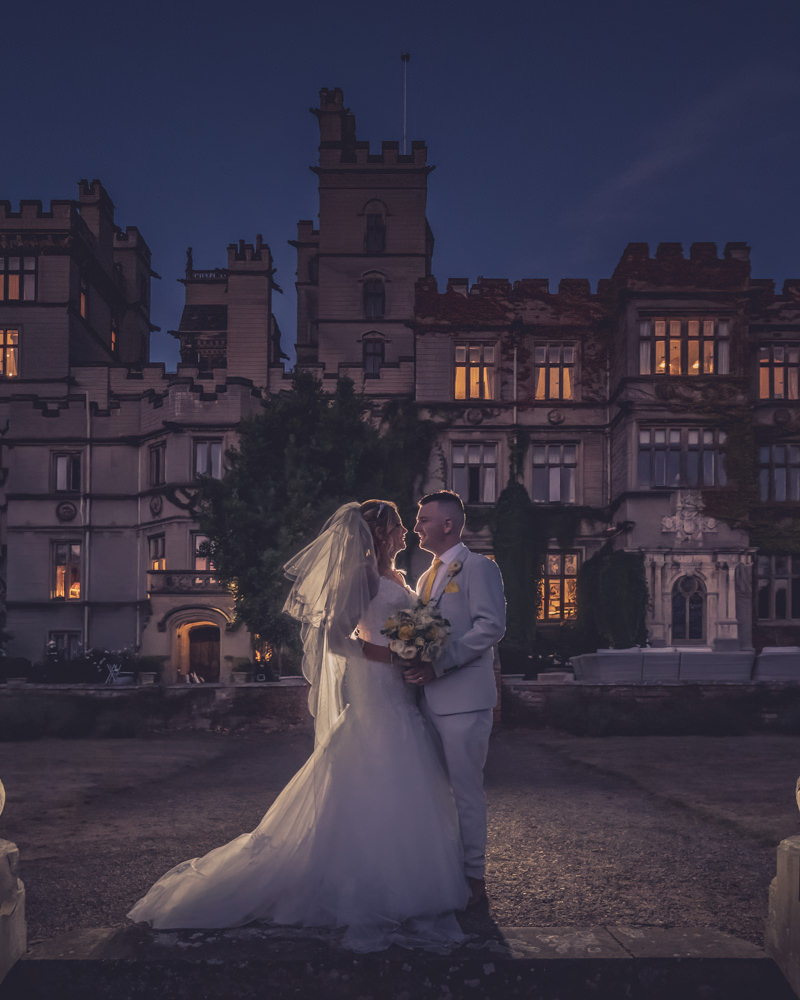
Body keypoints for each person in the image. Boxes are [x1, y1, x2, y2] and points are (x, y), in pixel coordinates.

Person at [127, 500, 468, 952]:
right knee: (379, 772)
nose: (406, 533)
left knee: (405, 777)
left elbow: (406, 630)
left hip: (402, 692)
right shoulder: (362, 576)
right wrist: (390, 655)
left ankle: (403, 877)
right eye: (400, 526)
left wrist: (419, 650)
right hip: (375, 688)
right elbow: (334, 637)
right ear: (380, 533)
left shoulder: (398, 578)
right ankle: (367, 887)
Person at [403, 490, 506, 909]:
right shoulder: (425, 577)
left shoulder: (481, 568)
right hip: (427, 700)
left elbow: (490, 627)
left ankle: (473, 876)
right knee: (435, 792)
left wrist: (439, 666)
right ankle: (443, 870)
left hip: (464, 699)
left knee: (466, 791)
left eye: (424, 519)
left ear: (448, 524)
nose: (416, 526)